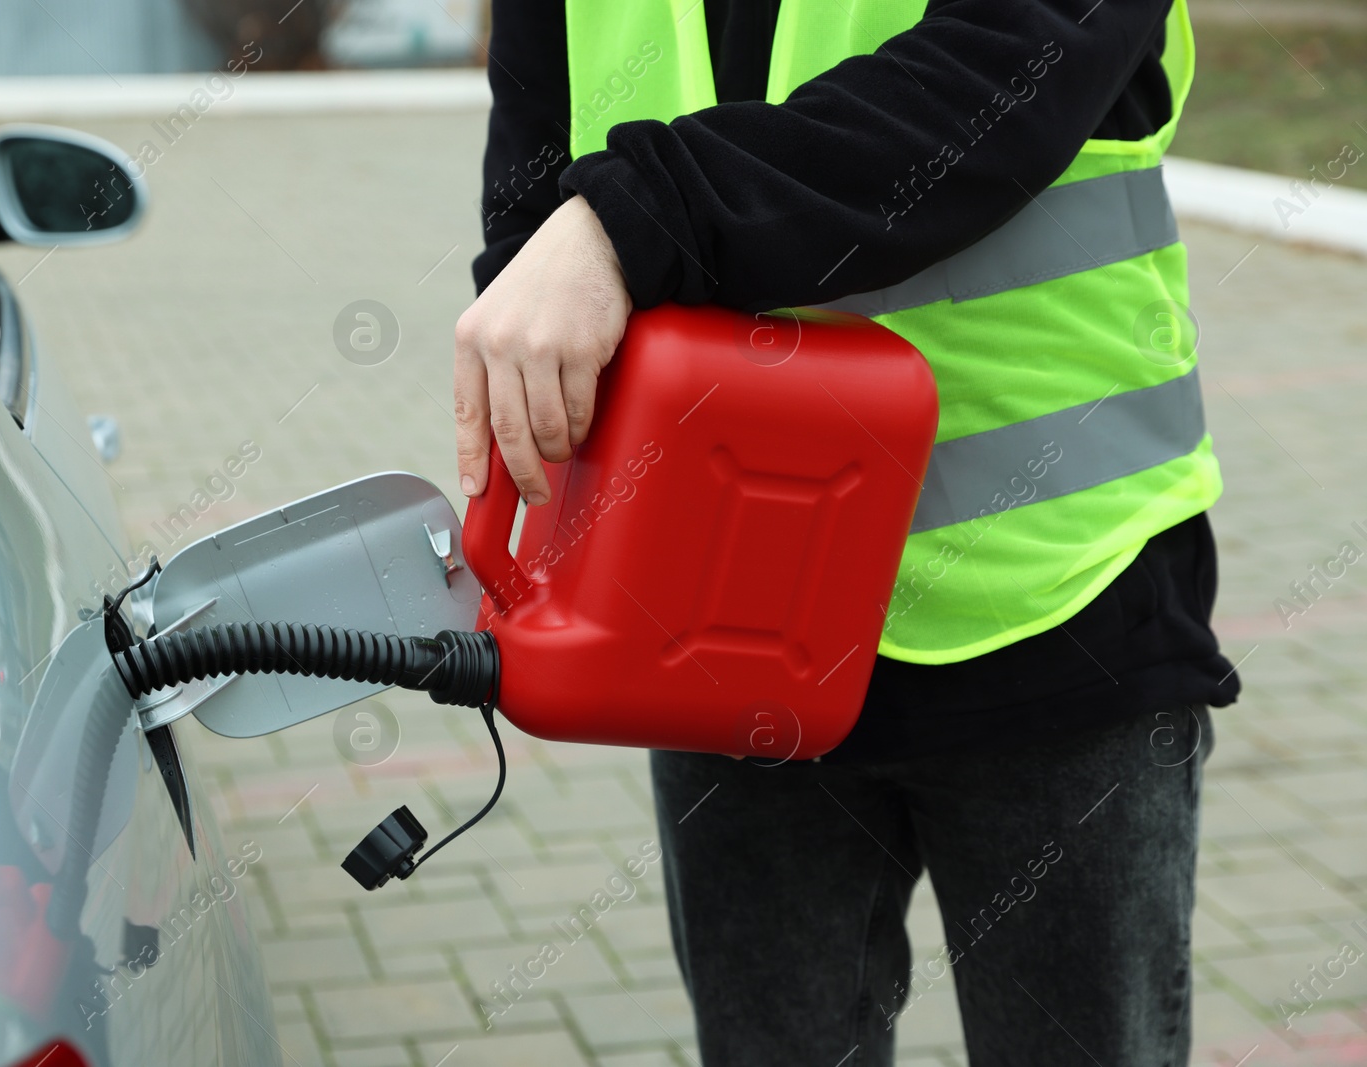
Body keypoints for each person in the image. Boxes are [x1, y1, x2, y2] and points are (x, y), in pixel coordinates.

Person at [454, 0, 1239, 1062]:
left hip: (1050, 598)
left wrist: (631, 216)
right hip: (718, 610)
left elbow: (1002, 75)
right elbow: (535, 206)